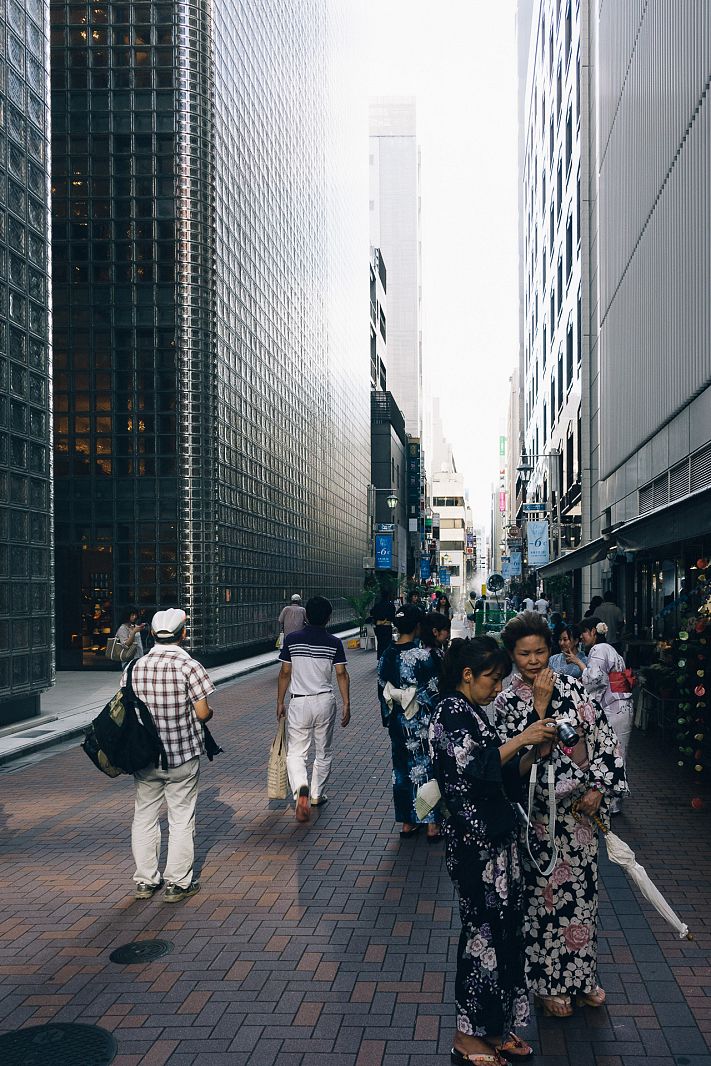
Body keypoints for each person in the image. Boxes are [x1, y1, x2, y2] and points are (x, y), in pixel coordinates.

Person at [429, 637, 559, 1064]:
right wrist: (522, 737)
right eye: (493, 678)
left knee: (502, 936)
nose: (498, 687)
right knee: (482, 937)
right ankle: (468, 1036)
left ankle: (495, 1028)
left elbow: (499, 775)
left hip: (494, 842)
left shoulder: (470, 713)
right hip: (475, 846)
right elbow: (475, 770)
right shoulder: (449, 712)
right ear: (468, 675)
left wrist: (533, 748)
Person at [494, 611, 627, 1019]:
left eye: (540, 651)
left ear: (551, 650)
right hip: (536, 818)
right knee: (544, 900)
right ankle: (549, 983)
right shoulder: (504, 701)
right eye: (524, 654)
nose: (533, 661)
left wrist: (600, 789)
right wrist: (538, 708)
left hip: (580, 815)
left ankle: (583, 977)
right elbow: (510, 761)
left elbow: (604, 738)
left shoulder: (573, 686)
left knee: (583, 898)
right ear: (512, 656)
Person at [125, 608, 215, 903]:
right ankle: (178, 883)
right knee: (181, 818)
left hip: (145, 756)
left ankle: (145, 881)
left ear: (151, 634)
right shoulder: (190, 666)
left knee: (144, 817)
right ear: (183, 634)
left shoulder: (134, 668)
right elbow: (203, 713)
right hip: (182, 754)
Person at [277, 595, 350, 822]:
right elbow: (341, 674)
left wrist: (280, 701)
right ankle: (317, 794)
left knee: (296, 752)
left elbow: (285, 672)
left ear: (306, 615)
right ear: (328, 618)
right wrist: (347, 703)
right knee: (323, 751)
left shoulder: (292, 640)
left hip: (299, 700)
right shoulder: (334, 642)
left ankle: (301, 789)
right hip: (325, 700)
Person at [378, 603, 443, 842]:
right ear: (418, 626)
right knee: (427, 768)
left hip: (397, 718)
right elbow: (436, 688)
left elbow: (382, 689)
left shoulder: (387, 653)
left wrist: (389, 716)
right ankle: (432, 824)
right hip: (422, 719)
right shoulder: (424, 655)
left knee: (402, 770)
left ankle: (408, 822)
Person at [569, 617, 635, 814]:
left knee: (612, 751)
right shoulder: (611, 650)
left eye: (584, 632)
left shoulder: (598, 650)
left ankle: (612, 800)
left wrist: (579, 664)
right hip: (621, 705)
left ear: (593, 632)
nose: (581, 637)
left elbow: (594, 679)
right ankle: (614, 799)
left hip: (614, 707)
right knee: (618, 751)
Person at [369, 592, 396, 659]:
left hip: (379, 626)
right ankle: (387, 658)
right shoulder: (391, 605)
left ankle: (380, 658)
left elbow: (372, 613)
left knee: (380, 643)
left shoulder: (377, 605)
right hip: (387, 626)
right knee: (387, 643)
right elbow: (393, 616)